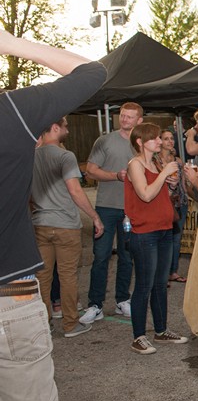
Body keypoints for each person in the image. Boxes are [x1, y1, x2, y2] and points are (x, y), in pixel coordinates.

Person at [0, 28, 106, 401]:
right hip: (11, 298)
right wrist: (12, 44)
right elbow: (92, 71)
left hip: (16, 296)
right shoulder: (11, 111)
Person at [32, 117, 105, 338]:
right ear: (55, 127)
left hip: (40, 223)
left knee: (42, 278)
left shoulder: (31, 156)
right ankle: (71, 324)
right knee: (68, 276)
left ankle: (43, 324)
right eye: (65, 127)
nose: (68, 130)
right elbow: (75, 191)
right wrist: (94, 216)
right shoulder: (65, 156)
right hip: (65, 225)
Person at [124, 122, 190, 354]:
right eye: (154, 138)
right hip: (144, 233)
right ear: (140, 142)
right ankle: (138, 336)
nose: (159, 142)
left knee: (161, 284)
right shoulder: (135, 164)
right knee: (144, 285)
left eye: (159, 138)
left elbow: (159, 193)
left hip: (163, 229)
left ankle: (161, 331)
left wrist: (170, 184)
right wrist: (163, 175)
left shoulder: (154, 163)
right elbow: (145, 194)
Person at [81, 102, 142, 324]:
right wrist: (116, 176)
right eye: (122, 116)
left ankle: (122, 300)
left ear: (139, 121)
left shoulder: (142, 142)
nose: (125, 120)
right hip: (106, 207)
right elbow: (90, 171)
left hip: (132, 208)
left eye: (129, 117)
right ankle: (95, 304)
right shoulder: (105, 141)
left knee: (127, 257)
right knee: (101, 256)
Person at [158, 128, 188, 284]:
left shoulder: (178, 160)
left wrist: (187, 197)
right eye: (166, 139)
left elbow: (182, 183)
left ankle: (173, 271)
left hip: (180, 203)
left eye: (171, 138)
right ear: (160, 141)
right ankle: (162, 274)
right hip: (165, 203)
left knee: (176, 239)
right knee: (164, 239)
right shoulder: (156, 161)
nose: (170, 141)